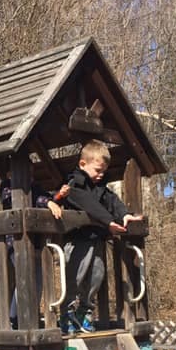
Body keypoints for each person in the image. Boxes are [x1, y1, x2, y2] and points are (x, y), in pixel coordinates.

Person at [59, 139, 143, 333]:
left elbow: (112, 201)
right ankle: (67, 315)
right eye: (97, 170)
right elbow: (87, 203)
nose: (101, 174)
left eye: (104, 171)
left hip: (96, 239)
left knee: (96, 276)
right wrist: (108, 221)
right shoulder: (74, 184)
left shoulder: (101, 188)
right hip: (77, 239)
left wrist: (124, 215)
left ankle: (84, 312)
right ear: (83, 164)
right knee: (74, 276)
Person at [0, 177, 68, 328]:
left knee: (37, 281)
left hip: (36, 243)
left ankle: (28, 317)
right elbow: (18, 200)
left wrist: (57, 197)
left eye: (30, 172)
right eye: (26, 172)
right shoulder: (7, 186)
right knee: (24, 279)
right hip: (15, 243)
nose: (29, 175)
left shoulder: (36, 187)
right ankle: (15, 318)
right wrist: (48, 202)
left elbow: (47, 198)